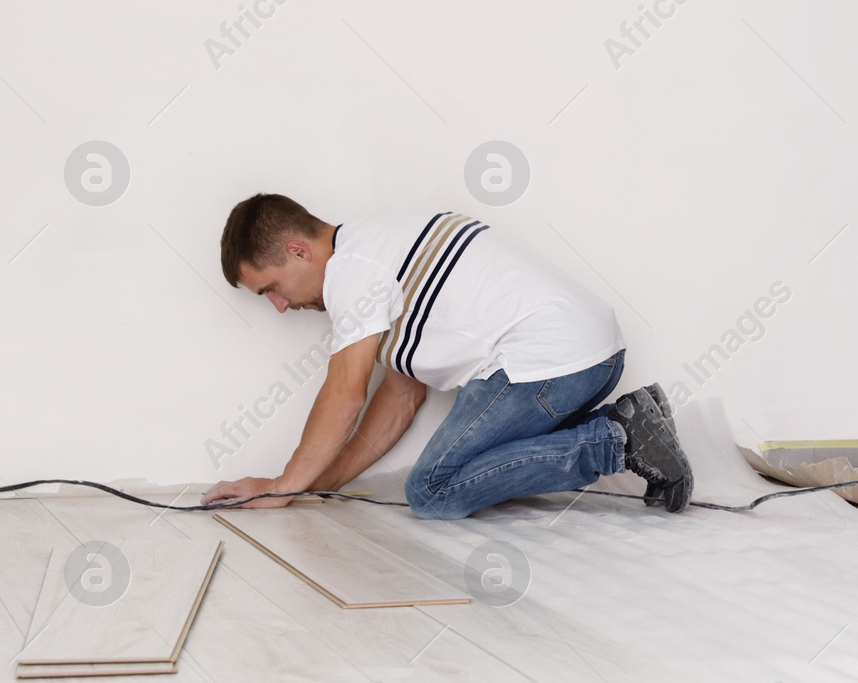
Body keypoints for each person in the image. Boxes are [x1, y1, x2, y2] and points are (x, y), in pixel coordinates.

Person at [200, 193, 692, 517]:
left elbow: (344, 394)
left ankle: (619, 440)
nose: (280, 307)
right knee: (444, 476)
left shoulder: (353, 269)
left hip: (548, 361)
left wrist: (280, 487)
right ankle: (631, 418)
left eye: (272, 288)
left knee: (432, 490)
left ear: (298, 251)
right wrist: (311, 487)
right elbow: (398, 400)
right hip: (590, 355)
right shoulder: (381, 249)